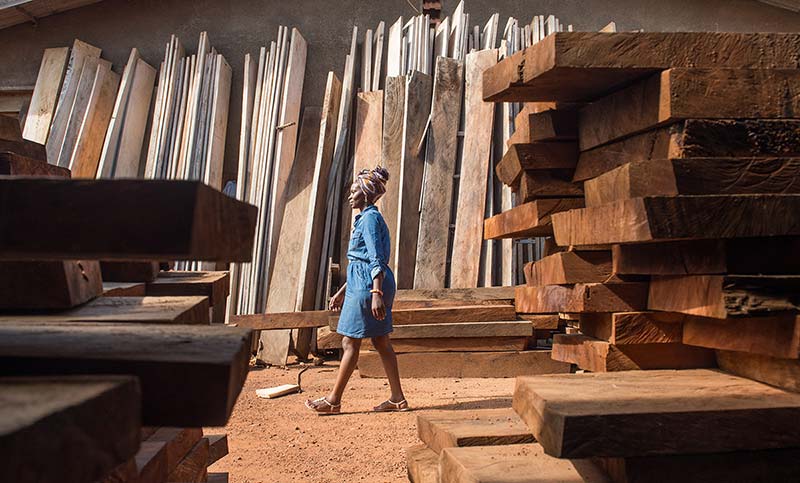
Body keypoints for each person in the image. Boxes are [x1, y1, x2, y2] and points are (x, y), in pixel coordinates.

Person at [305, 166, 408, 415]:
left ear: (366, 192)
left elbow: (375, 258)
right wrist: (343, 291)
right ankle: (397, 398)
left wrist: (376, 293)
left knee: (350, 341)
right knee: (381, 340)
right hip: (362, 282)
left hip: (369, 285)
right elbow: (359, 261)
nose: (350, 196)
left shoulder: (370, 218)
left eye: (354, 191)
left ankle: (333, 401)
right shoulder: (364, 217)